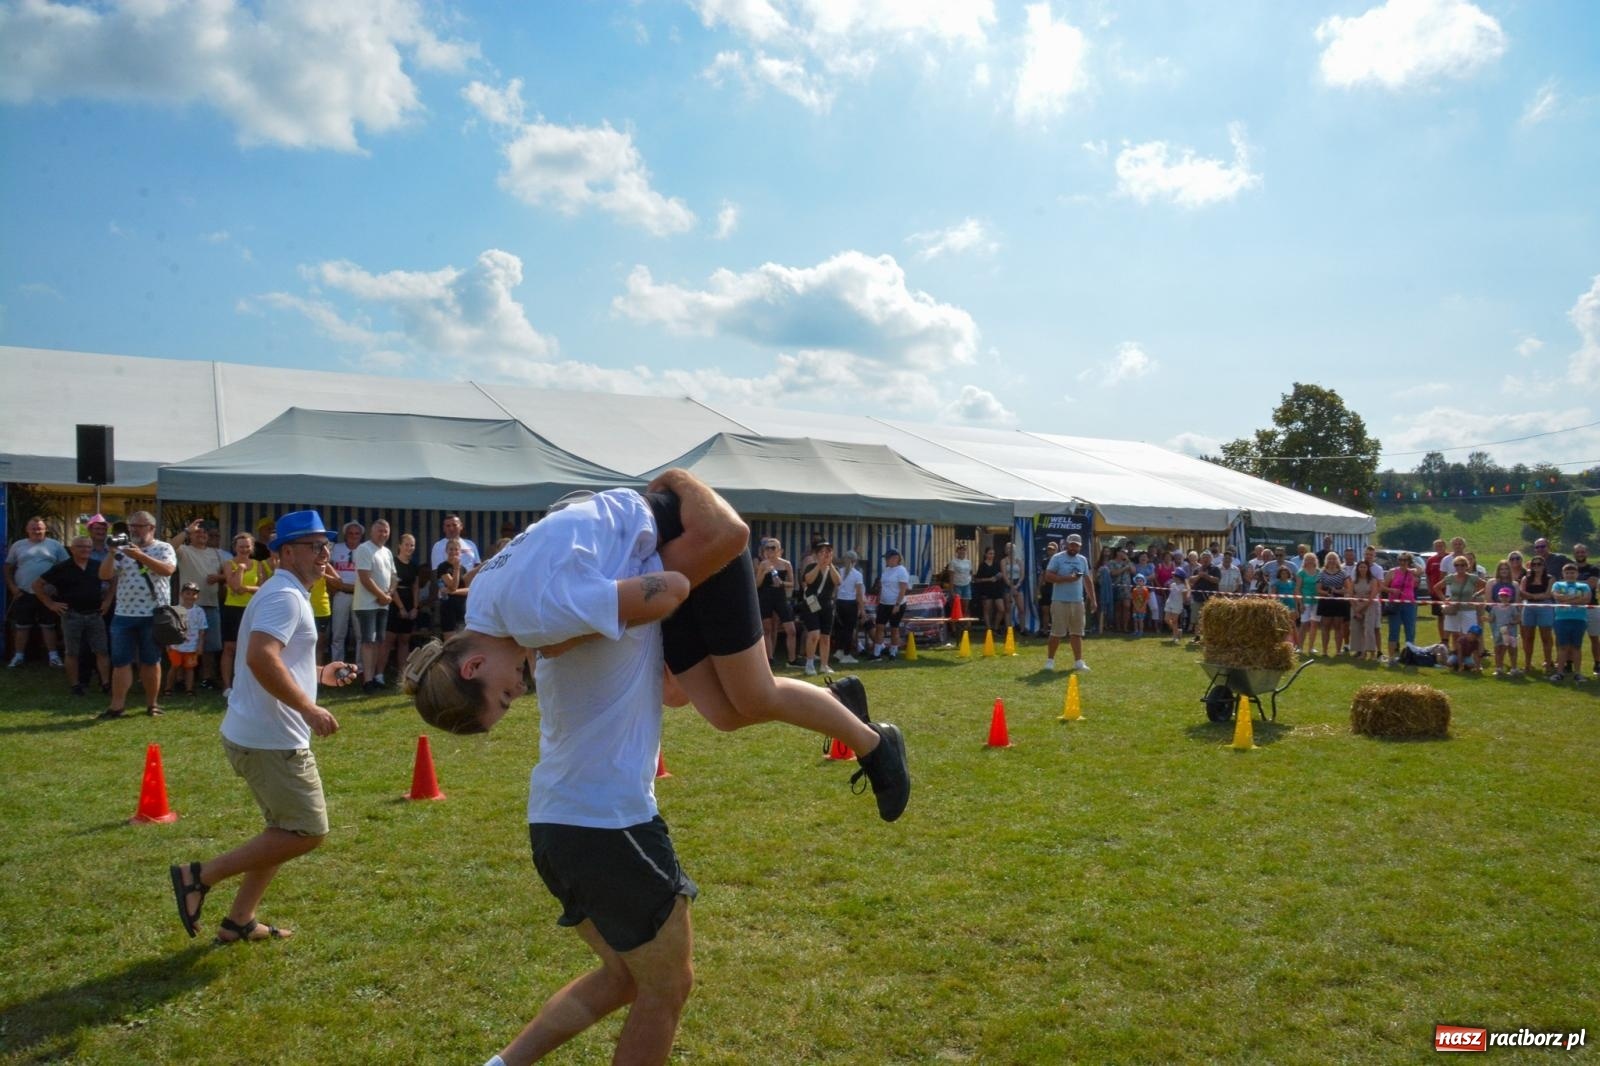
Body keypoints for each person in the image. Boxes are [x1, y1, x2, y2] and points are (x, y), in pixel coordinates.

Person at [404, 472, 909, 1064]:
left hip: (556, 830)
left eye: (506, 695)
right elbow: (666, 647)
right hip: (606, 827)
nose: (521, 687)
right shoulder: (503, 609)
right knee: (666, 986)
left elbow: (702, 558)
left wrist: (668, 497)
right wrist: (613, 616)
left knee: (627, 977)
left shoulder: (533, 616)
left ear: (469, 668)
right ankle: (859, 726)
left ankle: (870, 739)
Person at [168, 510, 358, 946]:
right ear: (285, 553)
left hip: (258, 733)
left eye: (326, 545)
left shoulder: (286, 592)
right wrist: (309, 707)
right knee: (307, 831)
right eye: (315, 546)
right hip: (271, 739)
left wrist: (322, 673)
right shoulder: (286, 596)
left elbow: (279, 661)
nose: (324, 553)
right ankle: (198, 876)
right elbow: (260, 658)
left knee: (281, 830)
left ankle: (239, 921)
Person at [98, 511, 178, 718]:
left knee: (151, 660)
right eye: (131, 526)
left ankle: (152, 704)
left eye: (139, 526)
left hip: (153, 614)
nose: (133, 530)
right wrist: (110, 553)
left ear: (151, 528)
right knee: (120, 661)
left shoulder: (163, 547)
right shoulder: (121, 550)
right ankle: (117, 706)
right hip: (124, 614)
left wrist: (141, 556)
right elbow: (104, 575)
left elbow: (168, 570)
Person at [32, 534, 112, 695]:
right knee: (72, 652)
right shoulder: (62, 568)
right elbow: (37, 585)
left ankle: (106, 684)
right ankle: (75, 685)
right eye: (81, 546)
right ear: (72, 549)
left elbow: (114, 580)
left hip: (95, 614)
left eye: (88, 547)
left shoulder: (98, 565)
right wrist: (50, 604)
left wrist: (108, 601)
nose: (85, 550)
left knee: (102, 651)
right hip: (71, 615)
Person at [168, 519, 226, 688]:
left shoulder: (217, 553)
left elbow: (229, 573)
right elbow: (170, 547)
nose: (202, 535)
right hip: (187, 607)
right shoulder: (184, 550)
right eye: (198, 532)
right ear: (190, 536)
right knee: (182, 643)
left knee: (210, 646)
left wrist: (220, 578)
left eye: (205, 533)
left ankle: (207, 678)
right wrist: (186, 530)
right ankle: (179, 679)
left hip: (211, 603)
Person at [6, 515, 69, 668]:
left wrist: (57, 586)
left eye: (40, 528)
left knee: (48, 625)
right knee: (22, 626)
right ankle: (18, 656)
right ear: (27, 530)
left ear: (45, 529)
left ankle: (53, 657)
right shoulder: (18, 545)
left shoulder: (55, 545)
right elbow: (8, 567)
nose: (37, 530)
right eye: (33, 528)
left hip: (47, 594)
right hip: (23, 592)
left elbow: (66, 567)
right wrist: (13, 587)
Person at [221, 532, 271, 698]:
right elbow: (234, 587)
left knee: (250, 647)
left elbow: (263, 587)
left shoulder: (258, 564)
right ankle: (227, 686)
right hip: (232, 608)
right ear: (235, 547)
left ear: (252, 548)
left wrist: (247, 589)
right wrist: (241, 569)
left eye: (247, 546)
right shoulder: (229, 564)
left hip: (251, 608)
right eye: (241, 546)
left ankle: (249, 683)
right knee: (230, 648)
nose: (244, 549)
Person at [353, 518, 396, 691]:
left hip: (382, 603)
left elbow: (394, 576)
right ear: (372, 532)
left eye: (386, 531)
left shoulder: (387, 552)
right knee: (368, 641)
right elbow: (365, 577)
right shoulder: (364, 549)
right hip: (366, 604)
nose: (383, 534)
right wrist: (381, 595)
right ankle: (367, 680)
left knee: (379, 641)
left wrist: (388, 594)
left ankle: (377, 678)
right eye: (380, 530)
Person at [1043, 533, 1093, 671]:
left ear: (1080, 546)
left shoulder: (1083, 559)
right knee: (1056, 633)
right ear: (1066, 544)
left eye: (1076, 545)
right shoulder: (1057, 558)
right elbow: (1048, 576)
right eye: (1071, 544)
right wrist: (1067, 578)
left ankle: (1078, 662)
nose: (1073, 547)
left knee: (1077, 633)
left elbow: (1087, 580)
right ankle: (1050, 661)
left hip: (1077, 601)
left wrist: (1093, 599)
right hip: (1059, 600)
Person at [384, 532, 426, 681]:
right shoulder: (393, 563)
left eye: (412, 545)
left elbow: (415, 586)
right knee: (388, 640)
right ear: (399, 546)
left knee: (404, 640)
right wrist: (401, 607)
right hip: (395, 602)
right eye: (407, 544)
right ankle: (379, 674)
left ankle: (402, 674)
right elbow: (392, 586)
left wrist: (415, 607)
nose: (409, 547)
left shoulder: (414, 566)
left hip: (409, 603)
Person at [755, 539, 800, 666]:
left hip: (780, 597)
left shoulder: (786, 564)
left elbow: (793, 583)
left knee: (791, 630)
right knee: (767, 629)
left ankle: (792, 660)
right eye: (767, 548)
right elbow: (757, 584)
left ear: (779, 550)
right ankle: (769, 659)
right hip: (766, 597)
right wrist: (764, 572)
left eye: (773, 548)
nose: (770, 551)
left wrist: (782, 583)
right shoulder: (763, 564)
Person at [799, 541, 839, 676]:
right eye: (821, 552)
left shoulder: (834, 569)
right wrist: (819, 566)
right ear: (816, 555)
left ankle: (824, 665)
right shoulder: (811, 566)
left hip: (827, 605)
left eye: (828, 552)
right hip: (811, 603)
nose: (825, 555)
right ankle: (809, 664)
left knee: (825, 636)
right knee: (814, 634)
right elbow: (808, 580)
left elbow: (838, 581)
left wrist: (830, 565)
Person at [327, 521, 363, 666]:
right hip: (340, 594)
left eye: (357, 533)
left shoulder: (365, 550)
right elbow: (325, 566)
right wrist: (333, 587)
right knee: (338, 633)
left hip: (360, 595)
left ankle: (360, 667)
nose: (353, 536)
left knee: (360, 635)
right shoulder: (335, 548)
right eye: (350, 533)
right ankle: (336, 666)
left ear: (361, 536)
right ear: (345, 535)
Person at [163, 583, 209, 697]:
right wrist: (168, 643)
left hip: (192, 646)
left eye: (194, 594)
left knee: (189, 668)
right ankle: (168, 689)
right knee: (174, 666)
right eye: (188, 593)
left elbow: (202, 630)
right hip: (176, 646)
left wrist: (200, 645)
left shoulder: (199, 611)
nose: (190, 596)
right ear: (181, 594)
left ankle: (189, 689)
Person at [1550, 562, 1591, 682]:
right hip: (1561, 620)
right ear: (1563, 574)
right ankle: (1560, 673)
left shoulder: (1584, 586)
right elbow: (1557, 597)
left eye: (1572, 573)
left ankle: (1577, 673)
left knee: (1576, 647)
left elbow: (1586, 599)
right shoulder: (1557, 584)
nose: (1570, 575)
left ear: (1577, 574)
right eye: (1567, 573)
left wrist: (1566, 599)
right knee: (1562, 647)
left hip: (1579, 620)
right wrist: (1575, 599)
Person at [872, 547, 912, 660]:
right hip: (884, 603)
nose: (886, 561)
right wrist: (879, 599)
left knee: (894, 628)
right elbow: (882, 586)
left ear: (896, 558)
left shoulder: (902, 571)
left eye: (888, 558)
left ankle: (893, 652)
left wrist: (897, 604)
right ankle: (876, 653)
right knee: (879, 627)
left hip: (896, 604)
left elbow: (903, 589)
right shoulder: (887, 570)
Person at [1518, 554, 1556, 674]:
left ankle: (1548, 663)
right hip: (1529, 607)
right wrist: (1533, 597)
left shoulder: (1550, 579)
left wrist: (1533, 596)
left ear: (1544, 566)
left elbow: (1548, 594)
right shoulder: (1526, 578)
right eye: (1534, 564)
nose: (1536, 566)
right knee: (1528, 637)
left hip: (1545, 607)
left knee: (1546, 637)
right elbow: (1521, 592)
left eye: (1539, 564)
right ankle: (1527, 664)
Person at [1383, 552, 1421, 663]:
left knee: (1410, 630)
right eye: (1400, 560)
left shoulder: (1412, 572)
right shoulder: (1392, 572)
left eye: (1405, 560)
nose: (1402, 562)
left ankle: (1410, 656)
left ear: (1409, 561)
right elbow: (1383, 587)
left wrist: (1413, 563)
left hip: (1409, 604)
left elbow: (1421, 570)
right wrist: (1392, 590)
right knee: (1394, 630)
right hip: (1395, 604)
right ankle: (1391, 657)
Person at [1314, 552, 1350, 658]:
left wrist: (1337, 591)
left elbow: (1348, 589)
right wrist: (1327, 593)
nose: (1332, 561)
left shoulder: (1343, 573)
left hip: (1339, 602)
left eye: (1334, 559)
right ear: (1326, 560)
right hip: (1325, 602)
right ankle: (1324, 651)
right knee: (1325, 627)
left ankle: (1338, 651)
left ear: (1337, 560)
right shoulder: (1321, 572)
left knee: (1338, 627)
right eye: (1329, 559)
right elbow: (1318, 589)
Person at [833, 549, 865, 664]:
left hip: (839, 603)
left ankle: (839, 651)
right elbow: (859, 594)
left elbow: (835, 590)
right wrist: (862, 609)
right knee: (849, 630)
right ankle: (846, 654)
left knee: (839, 629)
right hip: (850, 604)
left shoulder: (838, 572)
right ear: (855, 561)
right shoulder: (858, 575)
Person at [435, 539, 473, 634]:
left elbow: (468, 589)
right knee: (450, 641)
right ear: (446, 551)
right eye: (451, 549)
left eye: (456, 549)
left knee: (462, 642)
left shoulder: (463, 569)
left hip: (461, 608)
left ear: (460, 552)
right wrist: (456, 568)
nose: (453, 552)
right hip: (448, 608)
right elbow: (453, 586)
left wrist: (455, 592)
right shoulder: (443, 567)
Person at [1349, 560, 1380, 660]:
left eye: (1364, 567)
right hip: (1356, 606)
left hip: (1369, 606)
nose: (1362, 569)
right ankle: (1361, 652)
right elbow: (1350, 595)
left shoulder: (1373, 580)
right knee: (1356, 629)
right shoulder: (1354, 581)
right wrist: (1356, 609)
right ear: (1357, 569)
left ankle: (1372, 652)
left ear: (1368, 569)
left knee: (1369, 629)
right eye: (1360, 567)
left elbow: (1372, 596)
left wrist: (1361, 608)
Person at [1488, 586, 1520, 677]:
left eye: (1506, 596)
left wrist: (1512, 622)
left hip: (1511, 633)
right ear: (1499, 597)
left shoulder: (1512, 608)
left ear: (1510, 597)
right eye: (1502, 596)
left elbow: (1518, 619)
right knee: (1498, 650)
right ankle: (1499, 668)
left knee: (1512, 650)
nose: (1504, 598)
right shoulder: (1495, 608)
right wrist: (1486, 619)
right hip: (1498, 633)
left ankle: (1514, 668)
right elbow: (1492, 619)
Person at [973, 546, 1006, 634]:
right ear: (986, 554)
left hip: (997, 589)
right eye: (990, 553)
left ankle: (995, 627)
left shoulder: (997, 564)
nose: (992, 555)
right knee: (987, 609)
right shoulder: (982, 565)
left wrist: (1000, 576)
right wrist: (989, 579)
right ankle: (989, 629)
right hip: (986, 589)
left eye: (993, 554)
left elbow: (1002, 574)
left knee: (1001, 609)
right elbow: (977, 579)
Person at [1001, 543, 1026, 631]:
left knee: (1021, 608)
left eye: (1012, 548)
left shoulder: (1019, 561)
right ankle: (1009, 629)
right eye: (1008, 548)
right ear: (1006, 550)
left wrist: (1017, 585)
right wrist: (1011, 586)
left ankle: (1022, 629)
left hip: (1018, 583)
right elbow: (1004, 575)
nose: (1010, 550)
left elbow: (1022, 575)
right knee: (1008, 608)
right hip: (1008, 583)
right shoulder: (1004, 561)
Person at [1164, 564, 1189, 643]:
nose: (1173, 576)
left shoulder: (1183, 587)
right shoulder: (1172, 584)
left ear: (1178, 577)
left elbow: (1184, 599)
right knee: (1166, 619)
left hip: (1177, 605)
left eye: (1174, 575)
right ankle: (1177, 631)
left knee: (1175, 621)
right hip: (1169, 603)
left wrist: (1184, 597)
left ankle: (1175, 637)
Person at [947, 544, 973, 611]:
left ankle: (964, 620)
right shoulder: (953, 562)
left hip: (967, 585)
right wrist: (951, 590)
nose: (962, 551)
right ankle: (956, 621)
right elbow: (951, 577)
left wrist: (970, 580)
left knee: (965, 607)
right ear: (957, 551)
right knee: (956, 607)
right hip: (956, 586)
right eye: (960, 549)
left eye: (964, 550)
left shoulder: (968, 562)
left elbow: (970, 572)